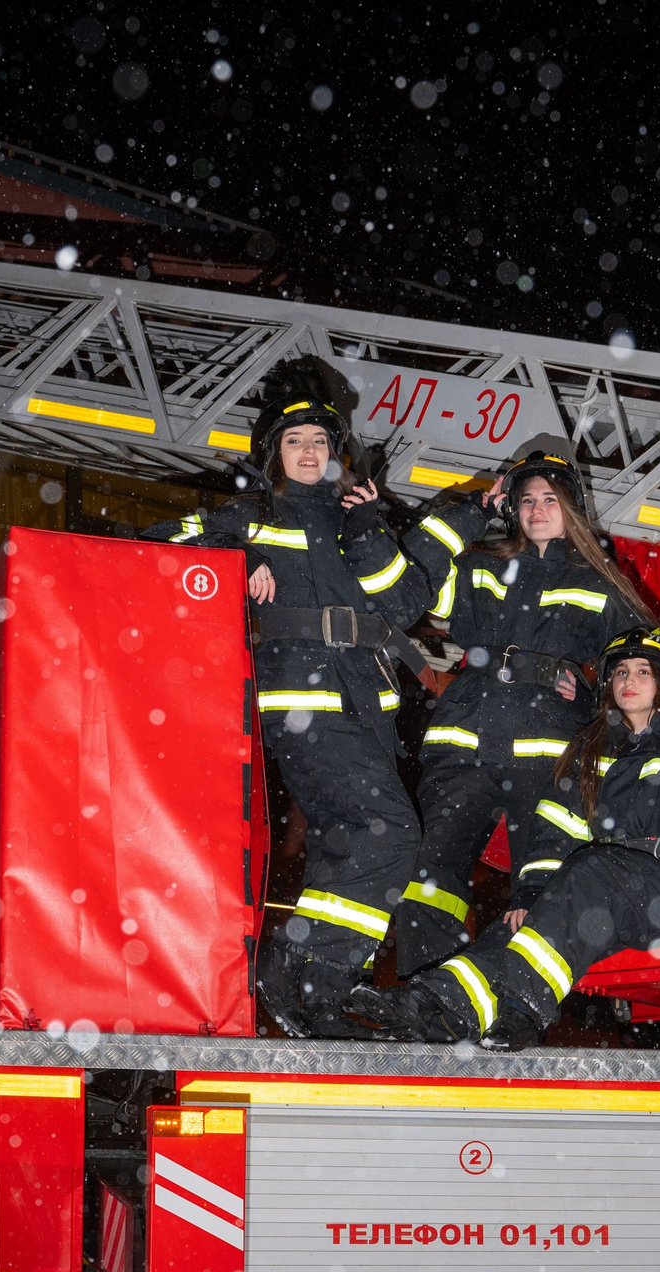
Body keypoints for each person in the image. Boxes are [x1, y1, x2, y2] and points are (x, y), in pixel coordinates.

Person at [145, 358, 430, 1036]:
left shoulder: (354, 517)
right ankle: (308, 972)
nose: (310, 453)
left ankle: (308, 982)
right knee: (387, 833)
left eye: (321, 443)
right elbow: (159, 547)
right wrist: (234, 562)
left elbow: (409, 600)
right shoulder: (250, 514)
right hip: (302, 698)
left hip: (365, 704)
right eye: (296, 442)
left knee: (352, 840)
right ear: (273, 451)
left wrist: (370, 527)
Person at [350, 628, 660, 1049]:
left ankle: (523, 1011)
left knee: (592, 872)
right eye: (621, 672)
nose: (629, 681)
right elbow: (556, 832)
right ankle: (433, 1003)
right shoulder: (589, 753)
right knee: (527, 920)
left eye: (643, 671)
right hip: (605, 892)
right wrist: (530, 892)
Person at [385, 435, 654, 973]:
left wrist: (595, 690)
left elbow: (646, 669)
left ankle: (504, 1003)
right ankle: (426, 998)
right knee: (428, 877)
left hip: (550, 752)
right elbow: (409, 580)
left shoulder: (601, 581)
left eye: (550, 499)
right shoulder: (479, 565)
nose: (537, 510)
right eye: (528, 499)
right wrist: (470, 509)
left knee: (539, 889)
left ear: (571, 508)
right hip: (465, 739)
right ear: (512, 506)